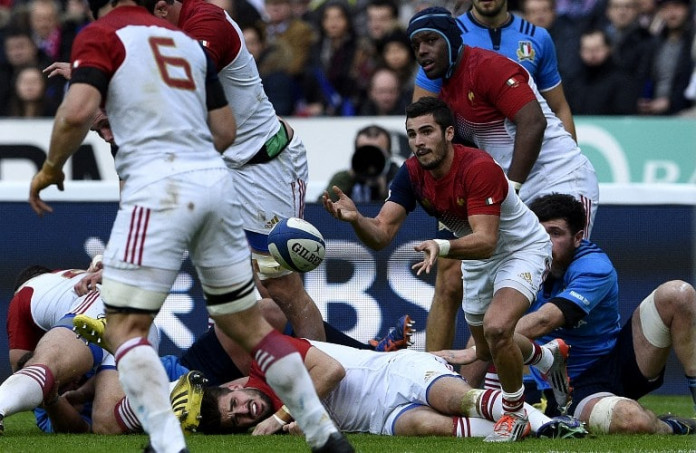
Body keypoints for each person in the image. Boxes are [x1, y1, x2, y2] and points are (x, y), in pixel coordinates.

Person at [26, 2, 351, 453]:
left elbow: (77, 113)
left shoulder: (111, 39)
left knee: (126, 324)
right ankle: (324, 435)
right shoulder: (178, 46)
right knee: (245, 323)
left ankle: (166, 442)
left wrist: (51, 165)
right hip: (215, 178)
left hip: (231, 172)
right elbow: (222, 129)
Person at [322, 97, 567, 442]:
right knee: (484, 350)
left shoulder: (478, 167)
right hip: (478, 257)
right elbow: (381, 235)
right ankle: (546, 356)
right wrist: (357, 219)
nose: (419, 142)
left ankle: (514, 414)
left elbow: (486, 240)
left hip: (519, 249)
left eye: (427, 131)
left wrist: (443, 245)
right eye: (412, 134)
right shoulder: (410, 173)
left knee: (498, 329)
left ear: (448, 133)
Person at [407, 6, 599, 353]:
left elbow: (534, 123)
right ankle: (447, 378)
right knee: (469, 280)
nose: (422, 50)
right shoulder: (444, 91)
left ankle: (574, 367)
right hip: (511, 185)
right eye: (416, 44)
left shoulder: (489, 66)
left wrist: (511, 186)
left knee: (559, 267)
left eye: (430, 41)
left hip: (560, 178)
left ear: (452, 41)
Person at [439, 193, 696, 435]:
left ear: (578, 237)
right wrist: (463, 395)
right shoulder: (517, 265)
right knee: (632, 420)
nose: (546, 241)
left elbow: (544, 320)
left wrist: (479, 347)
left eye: (555, 233)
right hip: (573, 387)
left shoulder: (594, 266)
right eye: (540, 232)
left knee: (678, 294)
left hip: (619, 363)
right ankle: (670, 426)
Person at [197, 337, 587, 440]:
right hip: (378, 418)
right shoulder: (268, 427)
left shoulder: (268, 357)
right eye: (235, 420)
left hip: (395, 373)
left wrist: (285, 415)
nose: (243, 411)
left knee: (454, 400)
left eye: (235, 402)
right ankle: (538, 427)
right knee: (429, 428)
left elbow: (332, 371)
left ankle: (542, 420)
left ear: (232, 386)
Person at [0, 262, 159, 435]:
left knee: (43, 366)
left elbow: (20, 365)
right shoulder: (66, 283)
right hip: (143, 323)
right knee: (108, 423)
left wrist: (52, 389)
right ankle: (178, 389)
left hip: (101, 306)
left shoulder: (24, 292)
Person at [565, 28, 640, 114]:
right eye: (587, 50)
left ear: (609, 49)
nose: (592, 55)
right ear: (580, 52)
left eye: (597, 49)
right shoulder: (573, 82)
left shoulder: (623, 80)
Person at [321, 124, 400, 202]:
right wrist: (348, 178)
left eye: (376, 153)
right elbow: (320, 208)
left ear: (389, 154)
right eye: (365, 152)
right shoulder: (344, 178)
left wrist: (385, 193)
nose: (370, 158)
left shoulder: (400, 177)